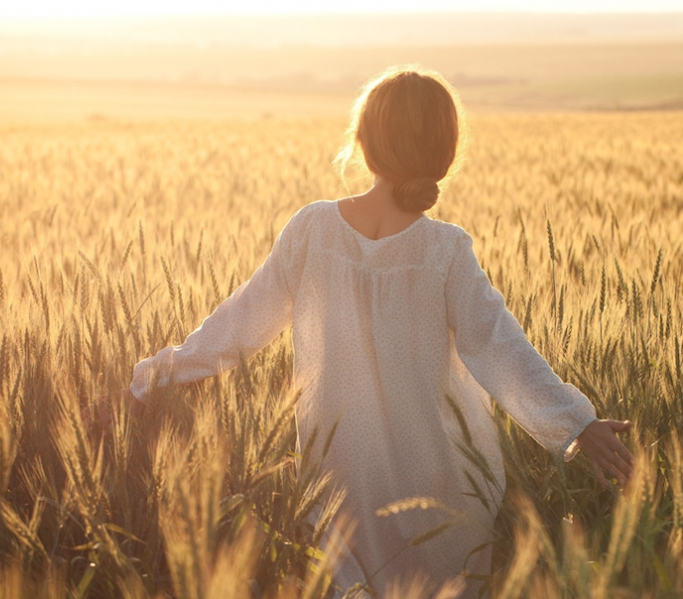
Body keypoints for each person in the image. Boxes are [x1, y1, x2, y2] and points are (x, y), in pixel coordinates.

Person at [91, 65, 633, 597]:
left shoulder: (314, 230)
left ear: (365, 143)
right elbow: (500, 348)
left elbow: (239, 323)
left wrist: (154, 377)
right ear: (444, 152)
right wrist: (577, 423)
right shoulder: (445, 250)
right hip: (441, 487)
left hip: (340, 484)